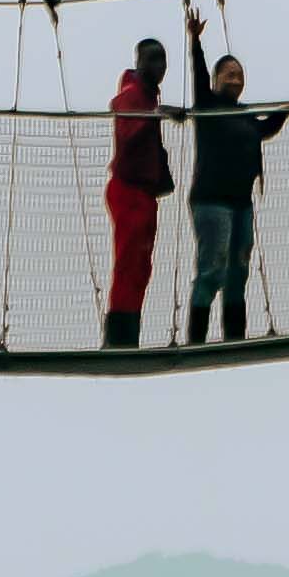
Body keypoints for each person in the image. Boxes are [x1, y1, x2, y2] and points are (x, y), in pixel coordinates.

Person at [179, 0, 287, 345]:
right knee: (213, 267)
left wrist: (284, 113)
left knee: (238, 268)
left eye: (239, 74)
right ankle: (197, 338)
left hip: (241, 204)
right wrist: (195, 42)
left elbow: (262, 131)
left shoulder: (244, 115)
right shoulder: (208, 106)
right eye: (229, 73)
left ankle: (234, 336)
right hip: (212, 202)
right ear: (215, 79)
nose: (235, 78)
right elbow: (197, 75)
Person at [99, 30, 172, 347]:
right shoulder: (132, 93)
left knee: (140, 264)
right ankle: (119, 337)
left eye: (163, 60)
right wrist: (155, 116)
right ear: (138, 62)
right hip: (128, 188)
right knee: (130, 261)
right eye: (152, 59)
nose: (159, 65)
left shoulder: (146, 95)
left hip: (142, 193)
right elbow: (127, 130)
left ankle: (128, 332)